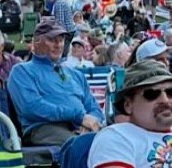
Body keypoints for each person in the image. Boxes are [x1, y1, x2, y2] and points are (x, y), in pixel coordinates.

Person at [7, 17, 103, 146]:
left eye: (61, 40)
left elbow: (94, 107)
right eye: (52, 40)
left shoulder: (76, 74)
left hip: (81, 127)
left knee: (114, 143)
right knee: (84, 146)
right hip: (44, 128)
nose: (58, 45)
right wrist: (79, 117)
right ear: (36, 42)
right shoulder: (22, 71)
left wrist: (91, 122)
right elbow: (32, 107)